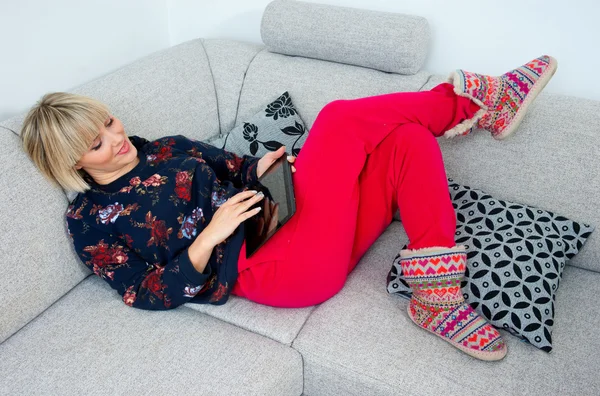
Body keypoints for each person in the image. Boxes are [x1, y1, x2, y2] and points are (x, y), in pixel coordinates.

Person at [20, 54, 557, 361]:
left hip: (297, 224)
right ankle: (478, 103)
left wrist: (269, 167)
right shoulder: (88, 220)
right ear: (73, 163)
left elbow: (236, 168)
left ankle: (436, 297)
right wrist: (211, 236)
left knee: (408, 143)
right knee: (341, 119)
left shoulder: (165, 146)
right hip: (269, 269)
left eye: (109, 122)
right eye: (96, 143)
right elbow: (141, 293)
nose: (116, 139)